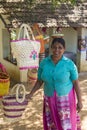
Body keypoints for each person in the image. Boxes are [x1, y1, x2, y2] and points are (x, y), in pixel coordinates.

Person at [26, 38, 83, 130]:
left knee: (66, 124)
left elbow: (76, 83)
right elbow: (39, 81)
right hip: (50, 98)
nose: (57, 50)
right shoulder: (44, 63)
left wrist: (80, 101)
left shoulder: (69, 64)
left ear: (64, 49)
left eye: (60, 48)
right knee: (53, 124)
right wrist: (31, 93)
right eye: (54, 47)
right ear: (51, 48)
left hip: (66, 100)